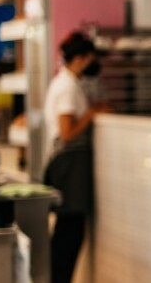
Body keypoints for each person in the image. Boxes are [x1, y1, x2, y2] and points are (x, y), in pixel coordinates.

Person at [42, 31, 110, 283]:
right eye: (91, 58)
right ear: (81, 58)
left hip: (69, 167)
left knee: (67, 232)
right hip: (68, 167)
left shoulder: (67, 84)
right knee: (69, 233)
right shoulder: (67, 88)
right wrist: (91, 113)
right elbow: (67, 132)